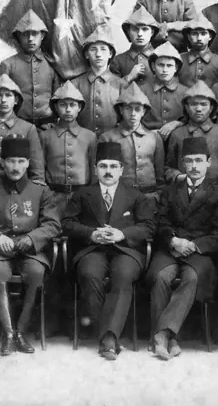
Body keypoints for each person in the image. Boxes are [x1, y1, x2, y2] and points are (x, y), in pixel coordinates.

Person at [62, 141, 156, 360]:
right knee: (89, 274)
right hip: (92, 249)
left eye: (113, 166)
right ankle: (109, 337)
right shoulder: (82, 194)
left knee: (123, 275)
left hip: (126, 250)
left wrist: (122, 234)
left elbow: (149, 226)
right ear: (95, 169)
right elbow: (67, 223)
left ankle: (108, 337)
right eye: (103, 166)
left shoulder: (135, 196)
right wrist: (91, 233)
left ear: (121, 170)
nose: (108, 171)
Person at [0, 136, 61, 356]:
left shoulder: (40, 190)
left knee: (36, 273)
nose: (16, 167)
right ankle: (8, 334)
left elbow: (53, 224)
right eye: (11, 161)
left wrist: (32, 238)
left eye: (20, 161)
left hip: (31, 251)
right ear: (2, 162)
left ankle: (21, 331)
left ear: (28, 163)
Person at [147, 137, 218, 360]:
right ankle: (171, 339)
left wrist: (194, 245)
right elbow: (160, 222)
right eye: (189, 161)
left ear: (209, 162)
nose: (194, 166)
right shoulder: (169, 191)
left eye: (199, 160)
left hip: (199, 254)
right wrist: (173, 241)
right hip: (171, 249)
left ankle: (162, 334)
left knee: (192, 278)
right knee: (160, 277)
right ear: (183, 163)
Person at [38, 82, 98, 214]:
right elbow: (40, 169)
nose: (68, 109)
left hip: (82, 197)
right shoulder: (45, 136)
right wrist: (45, 195)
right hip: (53, 198)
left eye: (72, 105)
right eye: (63, 105)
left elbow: (94, 170)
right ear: (55, 107)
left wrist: (91, 196)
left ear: (79, 107)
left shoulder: (89, 136)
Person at [98, 83, 165, 199]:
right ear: (121, 110)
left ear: (143, 111)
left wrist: (159, 196)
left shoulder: (154, 137)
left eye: (137, 109)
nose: (133, 114)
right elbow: (102, 175)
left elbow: (160, 174)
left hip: (150, 197)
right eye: (128, 108)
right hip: (120, 198)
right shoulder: (108, 138)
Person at [0, 9, 60, 127]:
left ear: (42, 35)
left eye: (34, 33)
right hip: (16, 127)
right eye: (25, 34)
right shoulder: (7, 65)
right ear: (19, 36)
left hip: (48, 127)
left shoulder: (52, 63)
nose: (30, 38)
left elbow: (58, 98)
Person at [164, 81, 218, 186]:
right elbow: (169, 168)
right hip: (184, 191)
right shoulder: (177, 134)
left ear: (211, 108)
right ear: (186, 107)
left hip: (216, 191)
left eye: (204, 104)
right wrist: (178, 177)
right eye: (193, 104)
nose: (199, 109)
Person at [71, 28, 124, 136]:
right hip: (82, 140)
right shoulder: (75, 84)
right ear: (86, 54)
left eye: (103, 49)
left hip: (111, 140)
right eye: (93, 49)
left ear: (110, 54)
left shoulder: (121, 85)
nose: (98, 54)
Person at [139, 43, 187, 138]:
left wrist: (178, 123)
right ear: (153, 66)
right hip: (147, 138)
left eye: (169, 66)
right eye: (160, 65)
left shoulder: (186, 92)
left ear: (176, 68)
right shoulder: (142, 90)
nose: (165, 70)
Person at [111, 7, 159, 83]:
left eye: (145, 29)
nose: (140, 34)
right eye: (135, 29)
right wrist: (129, 77)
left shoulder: (161, 59)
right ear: (128, 32)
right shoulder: (118, 61)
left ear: (152, 32)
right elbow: (111, 89)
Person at [178, 17, 218, 88]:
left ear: (210, 36)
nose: (199, 38)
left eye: (203, 34)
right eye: (194, 34)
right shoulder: (179, 60)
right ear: (188, 37)